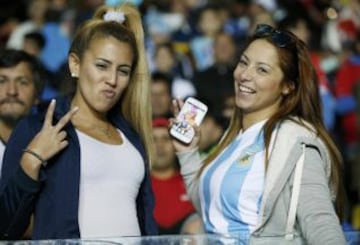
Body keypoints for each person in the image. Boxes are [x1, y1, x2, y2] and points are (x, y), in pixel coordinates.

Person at [172, 24, 346, 244]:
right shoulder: (234, 137)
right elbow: (213, 210)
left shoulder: (296, 142)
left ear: (287, 86)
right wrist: (188, 153)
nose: (244, 75)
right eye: (244, 62)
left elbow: (320, 223)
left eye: (262, 69)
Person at [0, 3, 157, 240]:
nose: (112, 80)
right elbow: (6, 227)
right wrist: (32, 161)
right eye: (102, 66)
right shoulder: (38, 128)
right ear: (75, 64)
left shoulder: (132, 136)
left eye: (123, 71)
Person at [151, 117, 201, 235]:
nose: (159, 145)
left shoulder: (190, 179)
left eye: (166, 139)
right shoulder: (137, 185)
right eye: (153, 139)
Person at [0, 49, 45, 173]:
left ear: (38, 95)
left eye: (22, 82)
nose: (12, 91)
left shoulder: (50, 147)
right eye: (2, 81)